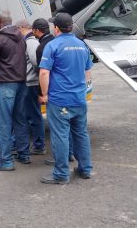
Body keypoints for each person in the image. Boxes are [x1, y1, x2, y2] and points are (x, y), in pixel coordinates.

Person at [38, 13, 93, 184]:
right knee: (81, 134)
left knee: (60, 136)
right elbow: (87, 73)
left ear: (56, 28)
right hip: (79, 99)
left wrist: (45, 94)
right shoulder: (82, 45)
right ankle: (85, 169)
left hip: (60, 99)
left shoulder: (53, 45)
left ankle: (61, 174)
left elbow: (44, 72)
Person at [0, 11, 30, 170]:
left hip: (5, 84)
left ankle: (5, 161)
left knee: (3, 123)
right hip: (21, 83)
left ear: (0, 21)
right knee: (20, 120)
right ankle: (24, 154)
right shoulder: (21, 38)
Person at [33, 18, 74, 166]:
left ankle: (60, 161)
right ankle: (70, 155)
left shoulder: (45, 47)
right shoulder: (76, 44)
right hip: (74, 93)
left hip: (56, 94)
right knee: (69, 128)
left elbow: (42, 73)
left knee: (58, 130)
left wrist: (42, 94)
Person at [16, 19, 45, 155]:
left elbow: (37, 63)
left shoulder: (31, 42)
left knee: (34, 116)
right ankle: (37, 144)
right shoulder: (29, 42)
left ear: (21, 28)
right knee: (30, 115)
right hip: (29, 83)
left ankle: (39, 146)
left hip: (31, 84)